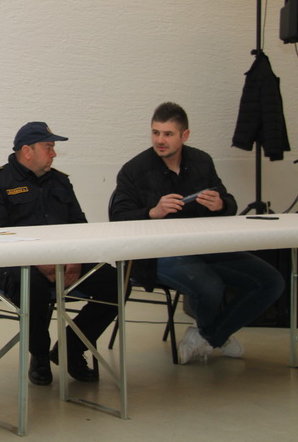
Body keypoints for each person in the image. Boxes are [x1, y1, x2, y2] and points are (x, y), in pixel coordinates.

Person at [109, 102, 285, 364]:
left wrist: (221, 204)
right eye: (155, 133)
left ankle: (208, 335)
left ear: (185, 135)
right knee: (209, 285)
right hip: (154, 255)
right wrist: (153, 212)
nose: (160, 140)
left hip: (206, 248)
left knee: (271, 281)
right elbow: (118, 219)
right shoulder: (134, 170)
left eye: (168, 134)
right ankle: (215, 335)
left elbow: (228, 202)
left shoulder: (201, 161)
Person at [0, 122, 118, 386]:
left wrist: (75, 258)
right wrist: (36, 259)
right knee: (32, 284)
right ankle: (39, 355)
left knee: (114, 283)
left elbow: (79, 227)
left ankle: (71, 349)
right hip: (15, 264)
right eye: (48, 147)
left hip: (66, 260)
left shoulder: (60, 181)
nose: (54, 154)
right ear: (27, 151)